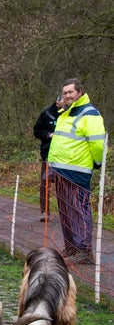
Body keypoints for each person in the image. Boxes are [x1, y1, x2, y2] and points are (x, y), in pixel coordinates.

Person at [48, 78, 106, 264]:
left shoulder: (90, 114)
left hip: (76, 172)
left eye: (70, 92)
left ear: (80, 92)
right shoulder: (67, 112)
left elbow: (97, 143)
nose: (67, 96)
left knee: (79, 211)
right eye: (64, 93)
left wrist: (97, 163)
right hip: (60, 169)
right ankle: (72, 247)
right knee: (65, 212)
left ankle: (85, 251)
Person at [32, 96, 63, 222]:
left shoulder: (71, 115)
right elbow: (36, 130)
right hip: (48, 155)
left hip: (65, 157)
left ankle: (64, 214)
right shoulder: (46, 114)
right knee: (45, 184)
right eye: (63, 101)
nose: (66, 102)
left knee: (63, 186)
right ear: (57, 102)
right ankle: (45, 212)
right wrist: (48, 135)